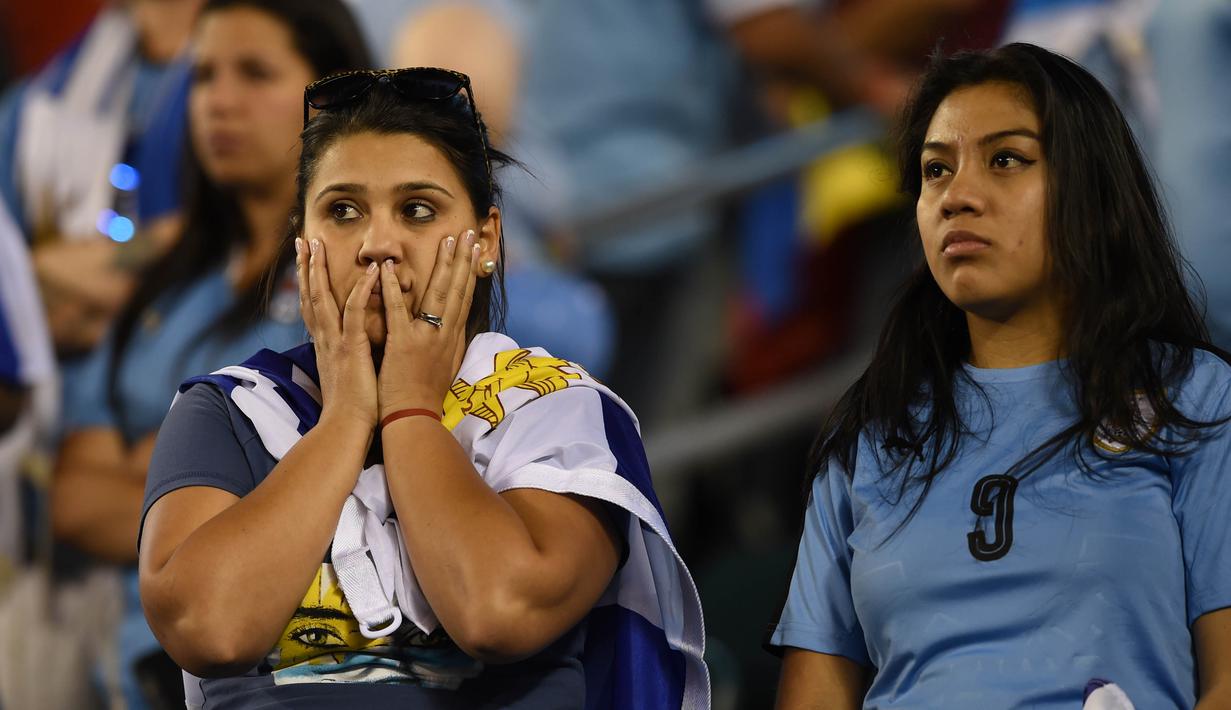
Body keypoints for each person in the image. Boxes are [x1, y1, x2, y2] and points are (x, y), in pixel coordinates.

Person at [137, 68, 707, 708]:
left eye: (417, 210)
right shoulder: (231, 410)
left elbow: (497, 611)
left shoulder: (556, 409)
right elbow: (209, 629)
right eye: (343, 211)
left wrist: (409, 409)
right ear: (303, 244)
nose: (378, 244)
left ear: (486, 240)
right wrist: (345, 419)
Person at [768, 43, 1231, 709]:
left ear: (1092, 190)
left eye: (1006, 159)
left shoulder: (1195, 396)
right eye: (935, 170)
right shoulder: (870, 430)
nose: (956, 196)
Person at [48, 1, 372, 706]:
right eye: (203, 76)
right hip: (136, 672)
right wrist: (250, 497)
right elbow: (73, 498)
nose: (219, 102)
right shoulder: (158, 283)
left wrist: (157, 468)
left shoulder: (369, 283)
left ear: (331, 95)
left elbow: (365, 506)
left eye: (255, 73)